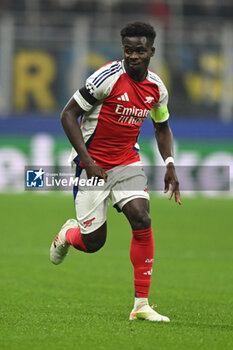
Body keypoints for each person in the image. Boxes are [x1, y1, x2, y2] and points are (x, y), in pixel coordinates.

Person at [50, 21, 181, 322]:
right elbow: (68, 114)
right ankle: (69, 235)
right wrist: (88, 161)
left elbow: (161, 127)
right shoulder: (106, 78)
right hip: (92, 164)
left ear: (151, 52)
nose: (133, 56)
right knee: (93, 243)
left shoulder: (156, 89)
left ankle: (142, 305)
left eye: (139, 51)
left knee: (142, 217)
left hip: (126, 163)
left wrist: (170, 164)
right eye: (128, 51)